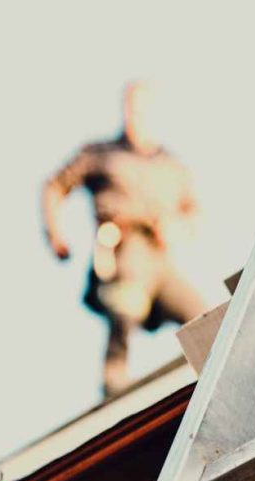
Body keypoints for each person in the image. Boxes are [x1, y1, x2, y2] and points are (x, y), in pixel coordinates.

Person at [41, 81, 207, 399]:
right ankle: (114, 383)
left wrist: (176, 227)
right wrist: (55, 235)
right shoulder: (101, 154)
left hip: (159, 257)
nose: (136, 116)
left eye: (143, 109)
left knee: (200, 313)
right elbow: (54, 187)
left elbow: (193, 213)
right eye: (131, 108)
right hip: (123, 250)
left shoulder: (170, 166)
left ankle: (212, 370)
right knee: (127, 303)